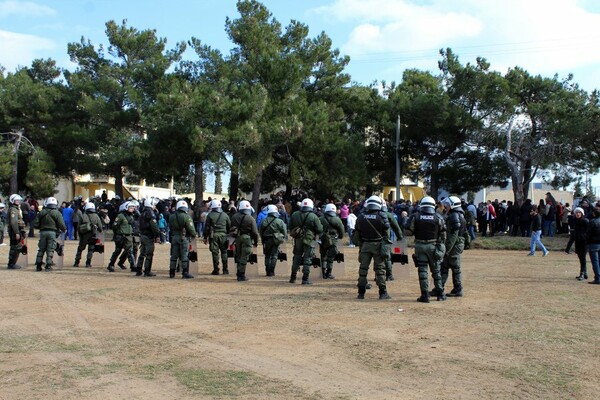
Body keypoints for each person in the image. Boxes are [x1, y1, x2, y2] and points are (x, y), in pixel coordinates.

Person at [405, 196, 447, 303]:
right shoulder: (438, 217)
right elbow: (443, 235)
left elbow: (408, 232)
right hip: (433, 246)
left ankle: (425, 295)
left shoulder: (416, 217)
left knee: (422, 271)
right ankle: (440, 294)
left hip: (420, 246)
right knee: (436, 271)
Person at [354, 195, 391, 300]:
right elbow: (386, 234)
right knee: (380, 270)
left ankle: (361, 293)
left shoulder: (361, 216)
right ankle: (382, 292)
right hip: (378, 246)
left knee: (363, 269)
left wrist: (361, 245)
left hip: (365, 245)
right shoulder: (382, 216)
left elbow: (357, 234)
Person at [288, 198, 323, 285]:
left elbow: (290, 226)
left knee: (297, 257)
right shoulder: (313, 216)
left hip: (298, 239)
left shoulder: (294, 214)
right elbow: (319, 229)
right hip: (309, 240)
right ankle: (305, 279)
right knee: (308, 258)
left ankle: (293, 277)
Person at [441, 196, 466, 297]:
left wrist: (446, 250)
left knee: (454, 267)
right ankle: (439, 287)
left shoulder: (454, 216)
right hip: (457, 244)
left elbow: (452, 237)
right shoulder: (459, 215)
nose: (445, 207)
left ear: (452, 205)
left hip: (454, 245)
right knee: (445, 266)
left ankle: (457, 289)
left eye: (447, 205)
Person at [33, 197, 66, 272]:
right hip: (52, 232)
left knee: (41, 248)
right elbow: (61, 224)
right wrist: (64, 229)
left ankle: (38, 265)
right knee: (50, 249)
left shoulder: (42, 212)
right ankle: (48, 265)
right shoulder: (57, 213)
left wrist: (40, 227)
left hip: (43, 232)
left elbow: (35, 223)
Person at [230, 200, 259, 282]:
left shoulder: (234, 216)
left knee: (238, 256)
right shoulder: (250, 218)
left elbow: (231, 228)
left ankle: (238, 272)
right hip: (247, 238)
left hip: (237, 238)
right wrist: (256, 242)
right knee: (244, 256)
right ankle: (241, 275)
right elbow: (255, 232)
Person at [169, 199, 197, 279]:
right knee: (184, 255)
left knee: (174, 255)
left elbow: (170, 227)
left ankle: (171, 272)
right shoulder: (186, 217)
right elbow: (191, 229)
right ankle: (185, 272)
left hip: (174, 237)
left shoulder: (172, 216)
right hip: (183, 238)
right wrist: (194, 235)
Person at [203, 199, 231, 275]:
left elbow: (207, 228)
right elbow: (229, 226)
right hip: (223, 235)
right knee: (224, 252)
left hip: (214, 236)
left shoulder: (210, 215)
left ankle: (216, 269)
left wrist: (205, 237)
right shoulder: (225, 215)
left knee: (215, 253)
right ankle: (225, 269)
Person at [318, 203, 345, 279]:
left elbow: (317, 228)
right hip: (333, 240)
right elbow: (341, 230)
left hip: (323, 239)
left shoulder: (321, 218)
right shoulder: (337, 219)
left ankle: (323, 273)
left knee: (323, 256)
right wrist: (339, 237)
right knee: (331, 257)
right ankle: (329, 273)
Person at [259, 204, 287, 277]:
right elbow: (284, 232)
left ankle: (267, 271)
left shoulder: (263, 221)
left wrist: (262, 240)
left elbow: (260, 231)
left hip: (266, 240)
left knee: (267, 256)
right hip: (276, 240)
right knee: (274, 255)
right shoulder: (279, 221)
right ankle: (272, 271)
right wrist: (283, 238)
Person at [73, 202, 103, 268]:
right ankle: (88, 263)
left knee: (80, 249)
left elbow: (78, 227)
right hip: (93, 235)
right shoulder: (96, 216)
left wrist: (80, 234)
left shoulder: (83, 215)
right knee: (91, 249)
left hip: (84, 235)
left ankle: (76, 262)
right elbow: (100, 227)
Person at [107, 202, 136, 272]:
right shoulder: (120, 216)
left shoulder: (131, 216)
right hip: (120, 236)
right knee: (117, 251)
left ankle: (133, 266)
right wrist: (117, 234)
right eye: (130, 207)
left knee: (130, 251)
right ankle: (111, 265)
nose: (132, 209)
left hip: (128, 236)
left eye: (133, 208)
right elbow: (114, 226)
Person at [136, 197, 161, 277]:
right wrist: (157, 234)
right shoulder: (150, 213)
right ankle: (147, 271)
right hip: (148, 236)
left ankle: (138, 270)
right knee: (149, 254)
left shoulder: (143, 212)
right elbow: (154, 226)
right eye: (153, 204)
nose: (154, 206)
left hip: (142, 235)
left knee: (142, 253)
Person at [381, 202, 403, 281]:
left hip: (374, 240)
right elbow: (396, 228)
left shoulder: (371, 213)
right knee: (387, 258)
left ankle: (378, 275)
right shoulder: (389, 215)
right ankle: (389, 275)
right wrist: (400, 238)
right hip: (386, 240)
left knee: (377, 259)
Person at [7, 194, 26, 270]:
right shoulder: (13, 210)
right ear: (12, 201)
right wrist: (17, 232)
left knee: (16, 247)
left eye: (19, 200)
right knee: (15, 247)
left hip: (16, 230)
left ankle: (12, 263)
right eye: (16, 200)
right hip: (14, 231)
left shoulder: (16, 209)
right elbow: (14, 222)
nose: (18, 201)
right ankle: (11, 263)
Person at [570, 207, 589, 281]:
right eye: (577, 212)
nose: (578, 214)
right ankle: (585, 272)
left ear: (582, 213)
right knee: (580, 257)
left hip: (584, 241)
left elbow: (588, 231)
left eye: (579, 212)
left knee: (583, 257)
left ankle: (582, 273)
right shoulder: (575, 220)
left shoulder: (585, 221)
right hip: (577, 240)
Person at [587, 206, 600, 285]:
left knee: (595, 261)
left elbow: (588, 233)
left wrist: (587, 242)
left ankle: (598, 278)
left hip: (593, 243)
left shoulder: (592, 222)